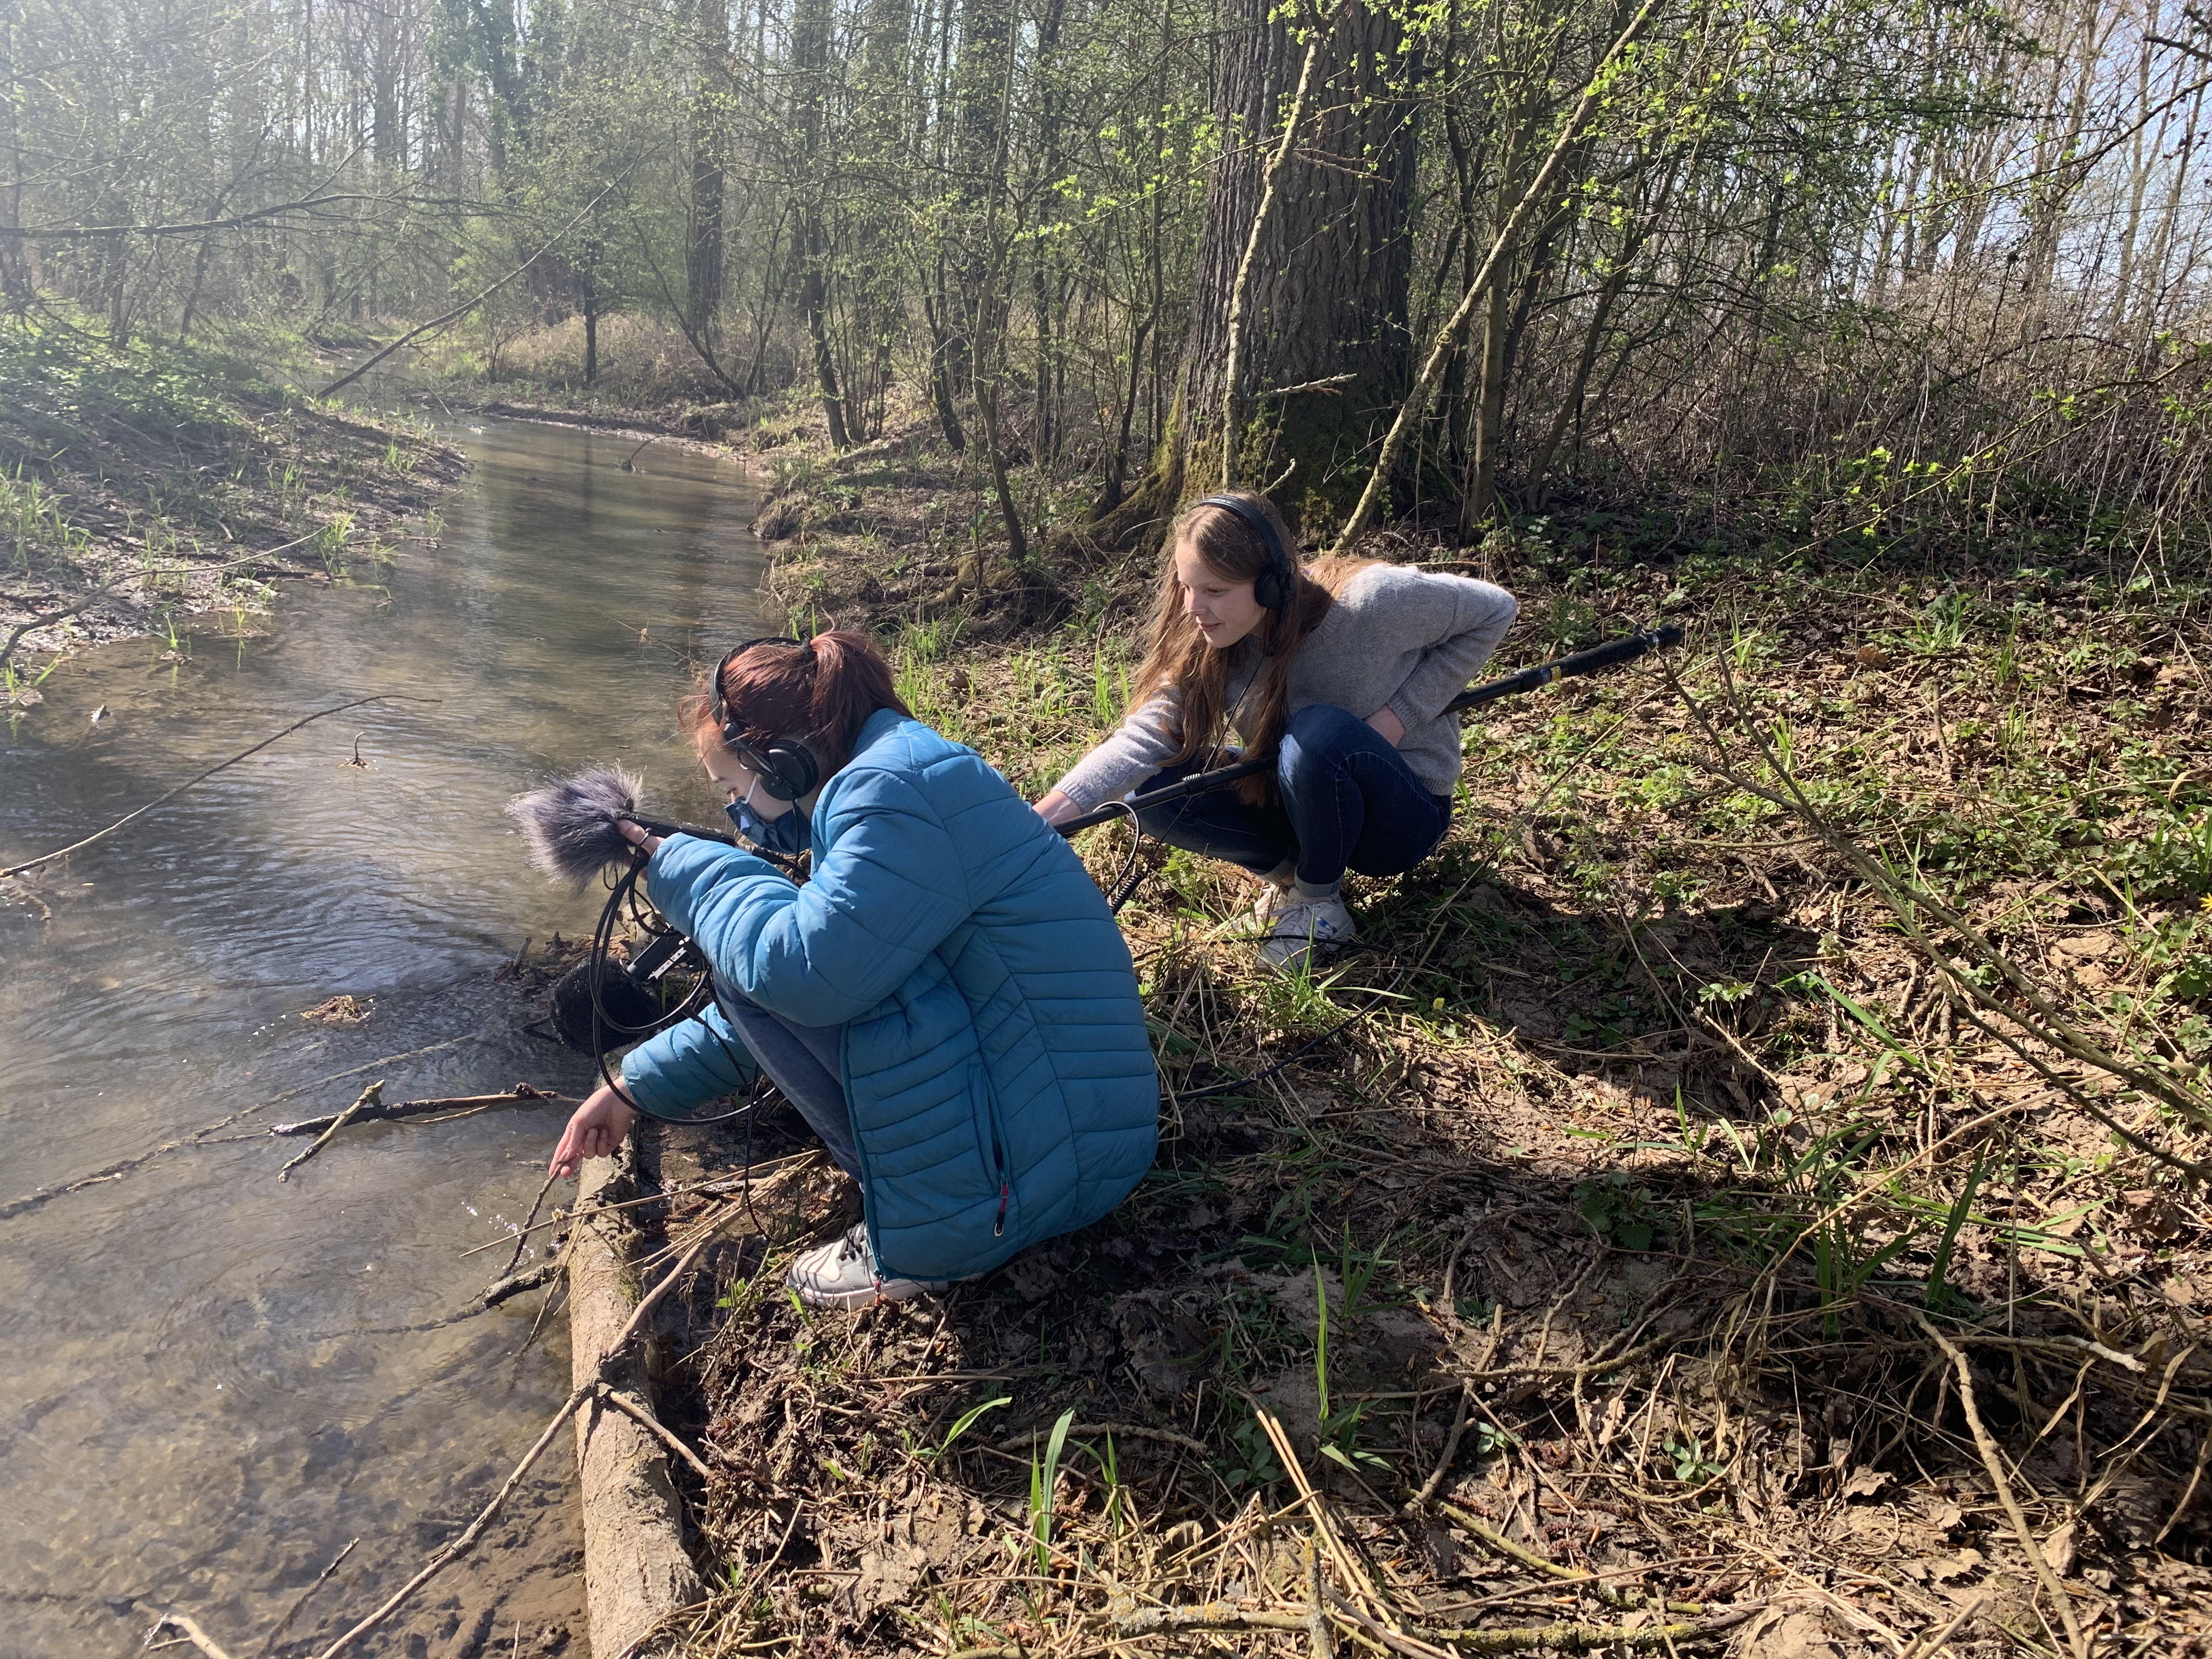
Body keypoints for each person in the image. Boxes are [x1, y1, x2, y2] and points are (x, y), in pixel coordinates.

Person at [549, 631, 1159, 1309]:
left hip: (1021, 1194)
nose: (736, 815)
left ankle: (922, 1237)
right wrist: (633, 1087)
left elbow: (799, 977)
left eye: (733, 786)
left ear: (780, 765)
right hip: (1083, 1153)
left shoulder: (889, 793)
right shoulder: (905, 767)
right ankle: (938, 1200)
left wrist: (682, 868)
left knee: (751, 954)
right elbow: (787, 985)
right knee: (757, 953)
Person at [1035, 491, 1517, 970]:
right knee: (1147, 787)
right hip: (1304, 799)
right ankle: (1299, 879)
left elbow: (1494, 609)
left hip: (1400, 820)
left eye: (1215, 591)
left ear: (1271, 584)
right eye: (1187, 586)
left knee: (1318, 734)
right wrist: (1040, 822)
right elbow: (1144, 738)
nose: (1192, 607)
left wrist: (1395, 720)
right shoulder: (1212, 640)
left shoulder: (1372, 603)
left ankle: (1317, 905)